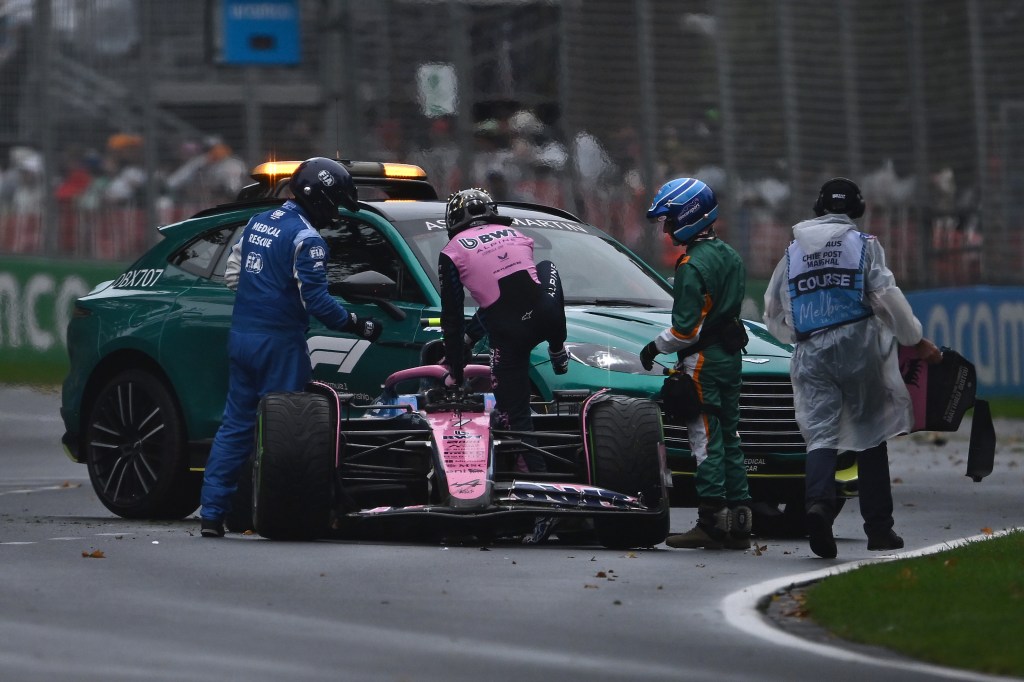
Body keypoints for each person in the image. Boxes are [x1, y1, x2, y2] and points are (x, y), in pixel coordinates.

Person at [199, 157, 383, 537]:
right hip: (280, 344)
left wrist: (263, 298)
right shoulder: (308, 239)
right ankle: (277, 514)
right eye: (334, 203)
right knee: (283, 437)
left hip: (243, 336)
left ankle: (212, 514)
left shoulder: (259, 222)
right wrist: (358, 324)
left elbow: (235, 276)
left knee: (235, 426)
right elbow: (317, 303)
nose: (334, 213)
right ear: (320, 198)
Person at [763, 177, 943, 559]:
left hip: (811, 349)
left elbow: (773, 311)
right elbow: (886, 298)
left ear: (818, 208)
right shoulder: (864, 246)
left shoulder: (793, 252)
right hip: (859, 346)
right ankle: (879, 529)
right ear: (857, 209)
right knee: (871, 433)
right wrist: (915, 340)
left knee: (821, 436)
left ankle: (818, 507)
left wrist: (797, 334)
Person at [638, 178, 752, 550]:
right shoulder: (731, 256)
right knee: (731, 436)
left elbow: (685, 331)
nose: (667, 228)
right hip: (732, 358)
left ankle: (711, 522)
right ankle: (739, 521)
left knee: (705, 439)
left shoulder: (691, 265)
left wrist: (654, 347)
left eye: (670, 219)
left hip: (702, 361)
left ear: (688, 215)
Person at [438, 188, 569, 474]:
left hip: (508, 337)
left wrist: (457, 372)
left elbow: (451, 317)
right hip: (548, 318)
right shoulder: (518, 235)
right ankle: (558, 350)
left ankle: (543, 497)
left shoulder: (451, 251)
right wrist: (471, 336)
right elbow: (515, 292)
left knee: (520, 425)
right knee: (546, 267)